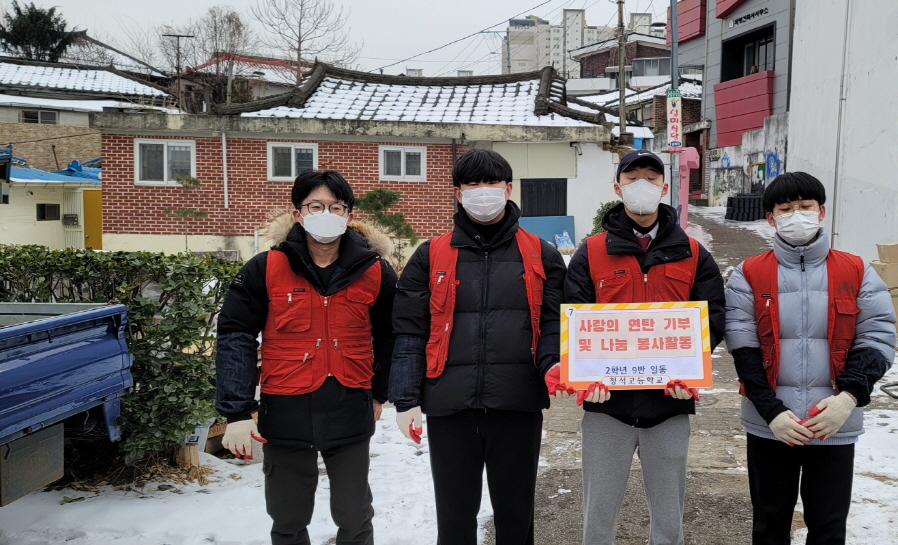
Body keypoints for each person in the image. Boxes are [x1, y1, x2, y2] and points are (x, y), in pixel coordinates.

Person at [388, 149, 566, 545]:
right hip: (450, 404)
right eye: (472, 184)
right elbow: (409, 330)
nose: (482, 192)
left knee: (515, 516)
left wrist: (552, 362)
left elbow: (554, 321)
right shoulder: (430, 254)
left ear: (508, 188)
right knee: (454, 518)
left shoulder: (541, 254)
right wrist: (405, 398)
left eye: (491, 183)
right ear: (457, 192)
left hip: (517, 402)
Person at [215, 170, 398, 545]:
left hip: (349, 405)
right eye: (316, 205)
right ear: (298, 213)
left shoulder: (375, 271)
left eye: (336, 206)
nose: (325, 213)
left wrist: (380, 393)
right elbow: (236, 335)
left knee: (353, 515)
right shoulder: (265, 268)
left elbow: (390, 335)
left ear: (350, 214)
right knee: (288, 517)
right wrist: (235, 411)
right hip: (286, 410)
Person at [560, 149, 726, 545]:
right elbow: (574, 316)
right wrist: (585, 375)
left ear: (664, 187)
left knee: (669, 519)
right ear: (618, 188)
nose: (642, 185)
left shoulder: (693, 252)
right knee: (597, 517)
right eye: (632, 177)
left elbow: (712, 317)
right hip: (607, 406)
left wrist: (691, 368)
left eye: (651, 177)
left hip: (670, 404)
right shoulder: (592, 251)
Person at [724, 172, 897, 545]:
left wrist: (847, 400)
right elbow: (742, 346)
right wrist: (771, 411)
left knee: (829, 527)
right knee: (769, 525)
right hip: (770, 425)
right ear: (770, 218)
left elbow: (878, 337)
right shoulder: (750, 273)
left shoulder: (855, 269)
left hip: (833, 423)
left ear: (821, 212)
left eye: (805, 207)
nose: (796, 215)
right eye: (786, 209)